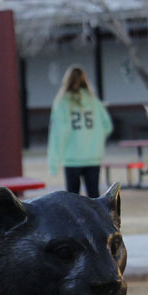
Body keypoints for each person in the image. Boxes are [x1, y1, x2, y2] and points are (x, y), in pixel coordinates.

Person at [47, 65, 113, 198]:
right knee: (94, 199)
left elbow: (58, 134)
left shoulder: (62, 103)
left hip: (72, 158)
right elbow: (107, 126)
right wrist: (95, 139)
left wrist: (54, 163)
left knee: (73, 199)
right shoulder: (94, 101)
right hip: (93, 156)